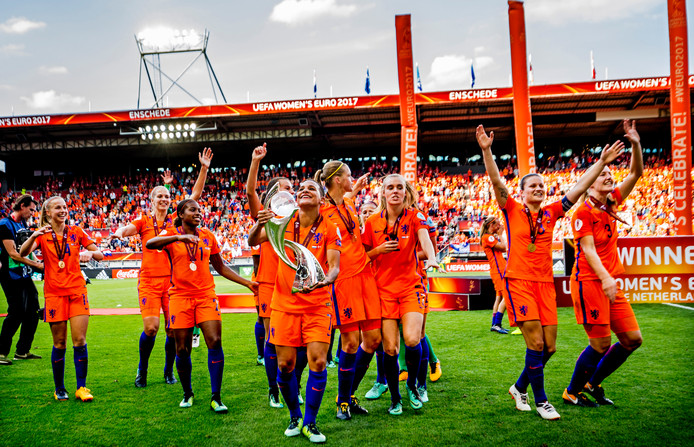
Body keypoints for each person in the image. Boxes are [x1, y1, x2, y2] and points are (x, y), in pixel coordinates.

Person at [476, 124, 624, 420]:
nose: (539, 189)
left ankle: (519, 387)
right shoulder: (511, 209)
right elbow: (495, 181)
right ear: (521, 192)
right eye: (533, 186)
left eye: (542, 186)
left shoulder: (552, 211)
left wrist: (602, 163)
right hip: (518, 282)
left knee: (551, 347)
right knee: (536, 343)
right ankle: (541, 400)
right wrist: (487, 150)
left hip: (545, 284)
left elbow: (580, 187)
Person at [249, 179, 341, 443]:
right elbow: (253, 240)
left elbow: (334, 265)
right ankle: (294, 415)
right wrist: (259, 222)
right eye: (301, 188)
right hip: (284, 305)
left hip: (317, 304)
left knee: (319, 361)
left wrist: (328, 278)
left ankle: (310, 423)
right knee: (285, 365)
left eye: (311, 188)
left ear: (322, 200)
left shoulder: (331, 228)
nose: (304, 190)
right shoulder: (283, 221)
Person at [111, 148, 212, 388]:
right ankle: (142, 368)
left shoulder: (174, 221)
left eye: (167, 197)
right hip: (148, 281)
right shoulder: (143, 220)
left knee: (171, 332)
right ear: (152, 200)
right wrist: (117, 233)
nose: (164, 200)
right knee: (151, 328)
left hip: (172, 282)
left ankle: (168, 371)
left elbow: (194, 196)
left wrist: (204, 168)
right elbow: (127, 229)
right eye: (160, 197)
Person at [146, 199, 257, 412]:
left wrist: (247, 283)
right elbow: (150, 244)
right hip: (179, 297)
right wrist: (178, 237)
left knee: (214, 341)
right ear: (180, 213)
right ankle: (188, 393)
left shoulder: (208, 236)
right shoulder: (170, 234)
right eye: (192, 210)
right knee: (182, 348)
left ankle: (216, 397)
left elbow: (221, 267)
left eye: (199, 210)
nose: (198, 213)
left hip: (206, 295)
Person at [563, 119, 644, 407]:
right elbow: (588, 250)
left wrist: (634, 142)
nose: (610, 177)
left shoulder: (611, 204)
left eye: (611, 173)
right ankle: (572, 391)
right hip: (590, 283)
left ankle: (592, 382)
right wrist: (607, 278)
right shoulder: (583, 213)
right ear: (592, 181)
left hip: (610, 284)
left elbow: (636, 172)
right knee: (601, 344)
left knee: (633, 339)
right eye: (604, 174)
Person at [362, 174, 440, 415]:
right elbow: (361, 258)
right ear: (383, 193)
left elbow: (425, 240)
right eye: (390, 188)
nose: (395, 191)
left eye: (400, 187)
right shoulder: (372, 221)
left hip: (410, 288)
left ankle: (413, 386)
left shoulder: (416, 216)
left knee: (413, 339)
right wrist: (378, 249)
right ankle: (395, 399)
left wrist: (433, 257)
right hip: (383, 291)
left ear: (406, 192)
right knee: (390, 350)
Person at [20, 196, 104, 401]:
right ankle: (59, 389)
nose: (63, 210)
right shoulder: (42, 235)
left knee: (80, 341)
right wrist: (33, 236)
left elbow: (100, 254)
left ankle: (81, 387)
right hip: (55, 294)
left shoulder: (76, 232)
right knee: (59, 343)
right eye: (58, 208)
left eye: (65, 207)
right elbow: (22, 253)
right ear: (48, 213)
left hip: (77, 292)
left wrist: (89, 253)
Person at [315, 161, 379, 420]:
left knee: (373, 340)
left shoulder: (348, 204)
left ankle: (349, 394)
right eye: (349, 176)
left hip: (366, 276)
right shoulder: (320, 210)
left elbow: (346, 203)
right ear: (338, 179)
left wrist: (356, 189)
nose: (353, 179)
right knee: (350, 343)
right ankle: (343, 401)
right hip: (343, 281)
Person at [246, 143, 297, 409]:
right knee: (272, 338)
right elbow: (250, 190)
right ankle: (273, 390)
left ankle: (291, 385)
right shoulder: (265, 215)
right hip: (268, 282)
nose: (292, 190)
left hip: (295, 283)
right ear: (276, 192)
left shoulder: (300, 215)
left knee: (296, 340)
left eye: (292, 188)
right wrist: (256, 161)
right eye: (287, 187)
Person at [0, 194, 44, 365]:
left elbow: (25, 249)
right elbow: (13, 254)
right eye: (31, 209)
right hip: (10, 274)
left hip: (24, 274)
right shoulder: (4, 225)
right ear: (23, 206)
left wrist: (36, 262)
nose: (33, 213)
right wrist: (36, 265)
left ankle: (22, 351)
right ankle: (1, 352)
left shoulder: (22, 224)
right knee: (16, 313)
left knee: (33, 312)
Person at [479, 216, 510, 334]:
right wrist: (501, 234)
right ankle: (497, 323)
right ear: (491, 225)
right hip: (499, 270)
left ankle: (494, 324)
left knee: (499, 297)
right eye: (497, 224)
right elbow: (503, 248)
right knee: (507, 296)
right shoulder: (488, 237)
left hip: (497, 269)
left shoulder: (487, 237)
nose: (499, 226)